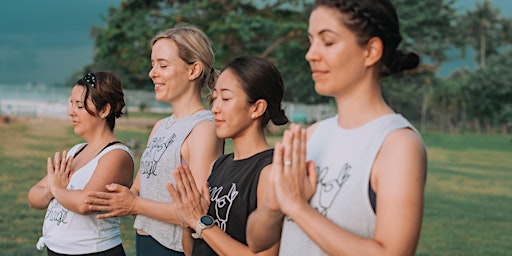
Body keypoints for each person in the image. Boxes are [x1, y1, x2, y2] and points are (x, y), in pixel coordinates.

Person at [246, 0, 427, 255]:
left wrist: (298, 207)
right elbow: (256, 241)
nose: (311, 54)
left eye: (328, 41)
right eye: (311, 41)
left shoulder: (397, 145)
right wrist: (274, 206)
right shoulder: (311, 136)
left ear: (371, 51)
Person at [84, 24, 224, 256]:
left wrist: (134, 205)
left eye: (163, 65)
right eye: (152, 64)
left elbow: (197, 211)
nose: (152, 73)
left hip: (175, 249)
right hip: (146, 242)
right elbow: (138, 188)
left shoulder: (203, 128)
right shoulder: (160, 127)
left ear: (193, 70)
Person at [167, 56, 289, 256]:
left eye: (226, 98)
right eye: (214, 98)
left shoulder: (270, 170)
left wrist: (200, 223)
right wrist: (187, 220)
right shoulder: (220, 164)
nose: (215, 108)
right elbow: (191, 251)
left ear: (257, 108)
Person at [27, 71, 135, 256]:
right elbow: (33, 197)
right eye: (71, 104)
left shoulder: (117, 155)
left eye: (79, 106)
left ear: (104, 110)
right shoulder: (76, 151)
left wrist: (55, 189)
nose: (71, 112)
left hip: (95, 251)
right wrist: (53, 189)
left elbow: (85, 203)